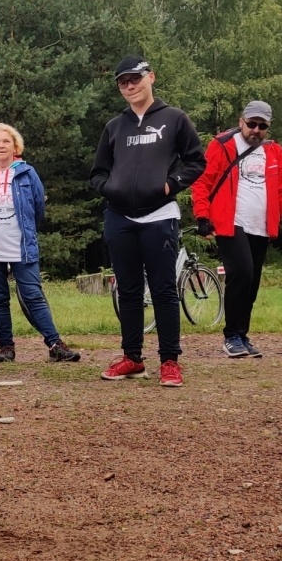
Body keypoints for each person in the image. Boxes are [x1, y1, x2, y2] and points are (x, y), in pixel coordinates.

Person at [90, 55, 206, 387]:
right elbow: (97, 173)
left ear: (150, 77)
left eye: (135, 78)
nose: (130, 86)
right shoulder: (114, 126)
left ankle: (170, 361)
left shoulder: (175, 119)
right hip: (120, 218)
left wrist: (171, 185)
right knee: (127, 290)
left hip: (160, 216)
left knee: (164, 289)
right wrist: (110, 189)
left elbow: (197, 162)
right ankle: (132, 358)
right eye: (122, 82)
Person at [191, 100, 282, 358]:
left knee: (251, 282)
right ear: (241, 121)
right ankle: (231, 335)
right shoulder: (222, 145)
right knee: (241, 273)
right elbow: (202, 181)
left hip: (261, 226)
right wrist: (202, 216)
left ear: (268, 127)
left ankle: (242, 335)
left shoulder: (273, 151)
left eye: (261, 126)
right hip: (231, 222)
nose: (255, 130)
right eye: (251, 124)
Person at [0, 122, 79, 364]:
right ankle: (6, 348)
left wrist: (24, 231)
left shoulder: (28, 173)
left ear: (15, 146)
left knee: (33, 295)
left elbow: (38, 209)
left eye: (5, 141)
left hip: (22, 246)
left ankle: (55, 344)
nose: (0, 145)